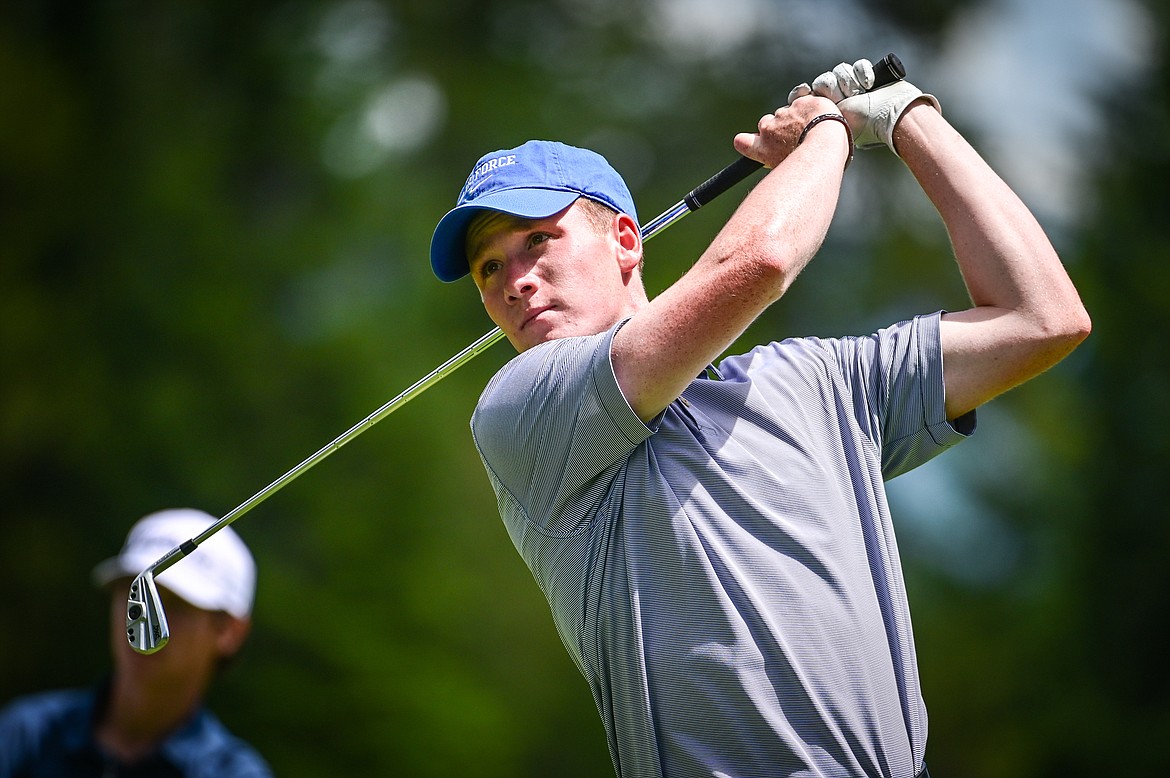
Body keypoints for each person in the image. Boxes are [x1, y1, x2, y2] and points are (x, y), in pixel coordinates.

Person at [427, 59, 1090, 778]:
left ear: (625, 239)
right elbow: (762, 262)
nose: (515, 282)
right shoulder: (519, 413)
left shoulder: (818, 382)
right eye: (488, 270)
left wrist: (906, 119)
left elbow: (1043, 318)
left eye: (537, 241)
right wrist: (829, 132)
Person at [0, 509, 272, 777]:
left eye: (176, 604)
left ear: (229, 632)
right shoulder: (26, 734)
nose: (142, 620)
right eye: (133, 597)